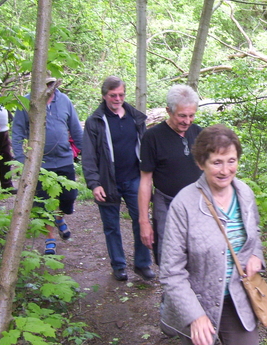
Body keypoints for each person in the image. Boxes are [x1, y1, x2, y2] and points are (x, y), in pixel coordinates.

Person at [160, 124, 264, 345]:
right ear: (200, 162)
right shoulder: (184, 204)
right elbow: (171, 271)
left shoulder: (245, 194)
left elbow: (255, 236)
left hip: (239, 301)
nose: (225, 170)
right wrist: (194, 316)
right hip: (200, 301)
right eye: (217, 162)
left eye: (231, 161)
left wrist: (255, 256)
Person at [82, 76, 154, 281]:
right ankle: (119, 265)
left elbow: (146, 149)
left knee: (141, 220)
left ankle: (142, 263)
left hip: (134, 180)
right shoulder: (95, 121)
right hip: (107, 182)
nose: (117, 98)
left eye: (121, 94)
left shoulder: (135, 117)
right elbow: (88, 155)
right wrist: (94, 184)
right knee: (111, 225)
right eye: (113, 95)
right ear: (104, 95)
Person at [12, 77, 83, 255]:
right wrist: (21, 161)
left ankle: (59, 218)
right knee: (43, 202)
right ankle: (50, 238)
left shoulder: (64, 100)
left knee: (68, 197)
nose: (48, 88)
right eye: (44, 84)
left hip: (65, 159)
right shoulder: (26, 102)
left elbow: (75, 128)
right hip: (39, 164)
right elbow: (17, 133)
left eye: (50, 84)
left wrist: (85, 153)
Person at [138, 84, 203, 265]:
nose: (187, 121)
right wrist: (144, 222)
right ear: (168, 111)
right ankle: (170, 293)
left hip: (197, 205)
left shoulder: (199, 133)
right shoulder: (153, 137)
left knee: (197, 256)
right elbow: (145, 181)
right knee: (169, 258)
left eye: (191, 115)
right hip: (166, 204)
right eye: (182, 115)